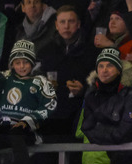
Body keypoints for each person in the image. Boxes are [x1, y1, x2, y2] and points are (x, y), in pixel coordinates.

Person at [0, 39, 57, 164]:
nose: (21, 66)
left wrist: (29, 120)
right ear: (12, 64)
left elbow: (51, 104)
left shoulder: (40, 81)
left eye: (25, 62)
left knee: (16, 132)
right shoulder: (4, 77)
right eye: (17, 63)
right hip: (3, 128)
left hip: (26, 130)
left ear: (32, 63)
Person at [39, 5, 99, 142]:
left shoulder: (91, 52)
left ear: (78, 24)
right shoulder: (45, 51)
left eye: (70, 21)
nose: (66, 26)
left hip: (79, 116)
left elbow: (100, 82)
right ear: (56, 25)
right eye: (62, 22)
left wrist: (84, 88)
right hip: (51, 118)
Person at [78, 47, 132, 164]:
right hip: (92, 161)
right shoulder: (90, 95)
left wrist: (100, 128)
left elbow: (127, 128)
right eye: (101, 66)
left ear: (119, 70)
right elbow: (84, 128)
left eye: (110, 66)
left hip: (122, 161)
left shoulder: (130, 93)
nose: (104, 70)